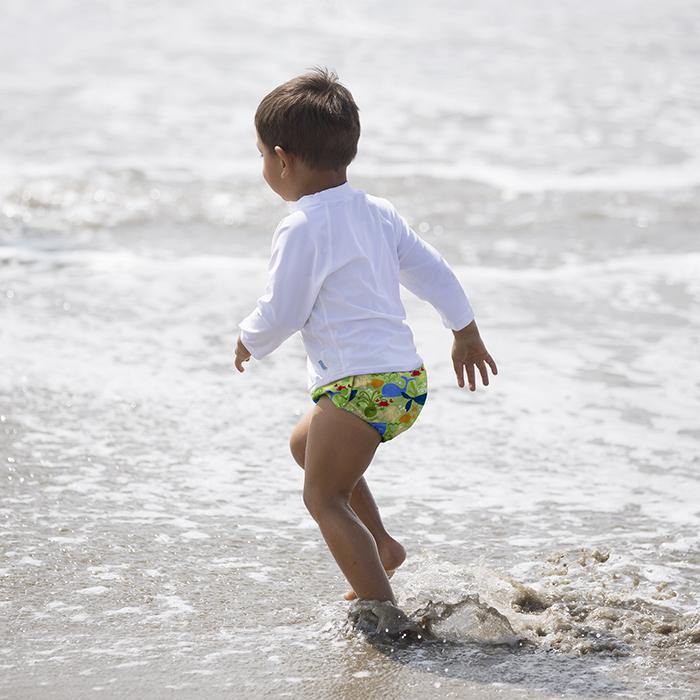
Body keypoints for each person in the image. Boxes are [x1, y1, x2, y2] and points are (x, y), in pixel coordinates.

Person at [234, 66, 497, 606]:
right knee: (305, 444)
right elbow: (432, 270)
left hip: (358, 387)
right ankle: (381, 545)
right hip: (402, 381)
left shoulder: (303, 225)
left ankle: (382, 610)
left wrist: (250, 339)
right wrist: (463, 330)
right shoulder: (377, 212)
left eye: (261, 155)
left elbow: (283, 309)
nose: (263, 166)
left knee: (324, 497)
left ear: (282, 159)